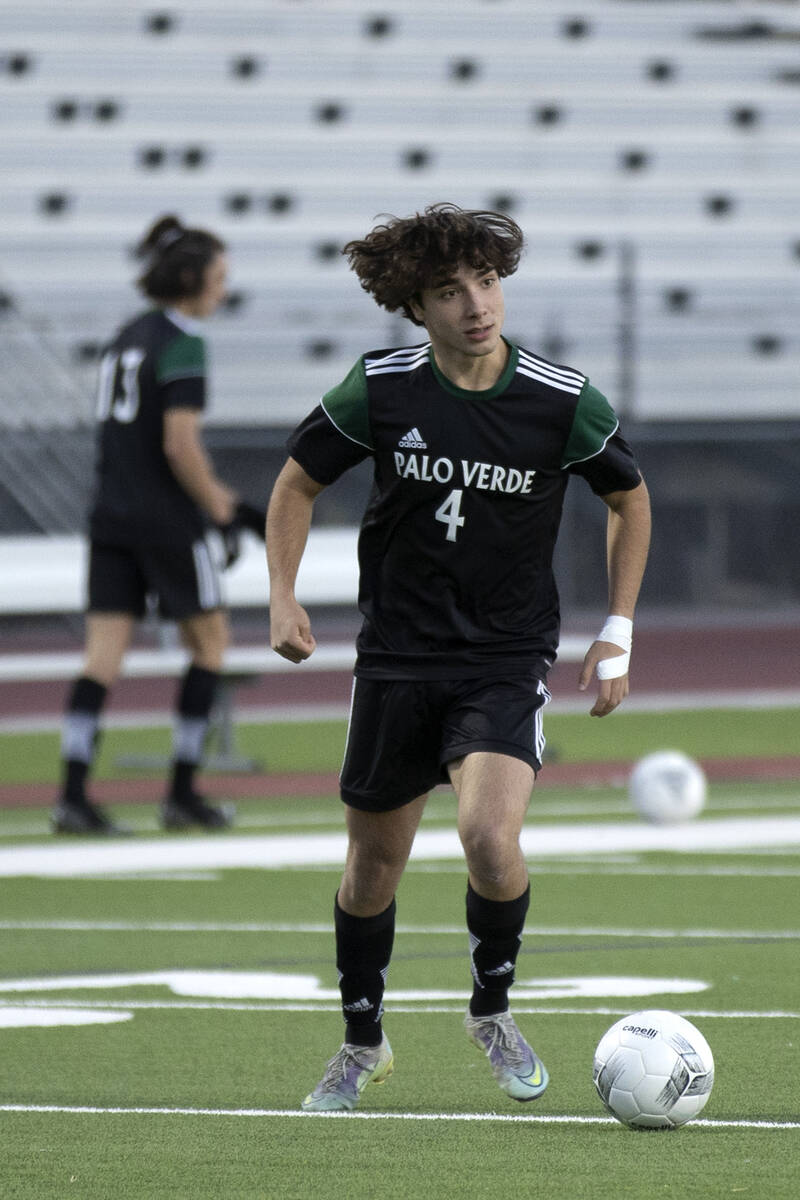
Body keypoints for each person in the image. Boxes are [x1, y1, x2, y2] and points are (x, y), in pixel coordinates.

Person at [266, 203, 651, 1110]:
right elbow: (294, 483)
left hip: (505, 658)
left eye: (487, 282)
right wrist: (283, 594)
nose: (476, 304)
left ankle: (492, 1009)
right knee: (370, 873)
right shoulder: (382, 389)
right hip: (396, 660)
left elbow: (629, 500)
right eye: (450, 290)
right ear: (416, 305)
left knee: (489, 837)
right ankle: (363, 1042)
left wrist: (618, 631)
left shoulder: (562, 399)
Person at [53, 214, 262, 836]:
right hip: (166, 522)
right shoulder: (184, 342)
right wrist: (225, 509)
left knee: (101, 659)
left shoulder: (125, 337)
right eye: (219, 277)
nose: (223, 289)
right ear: (194, 278)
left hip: (109, 518)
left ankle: (71, 797)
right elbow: (180, 447)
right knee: (210, 646)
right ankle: (181, 792)